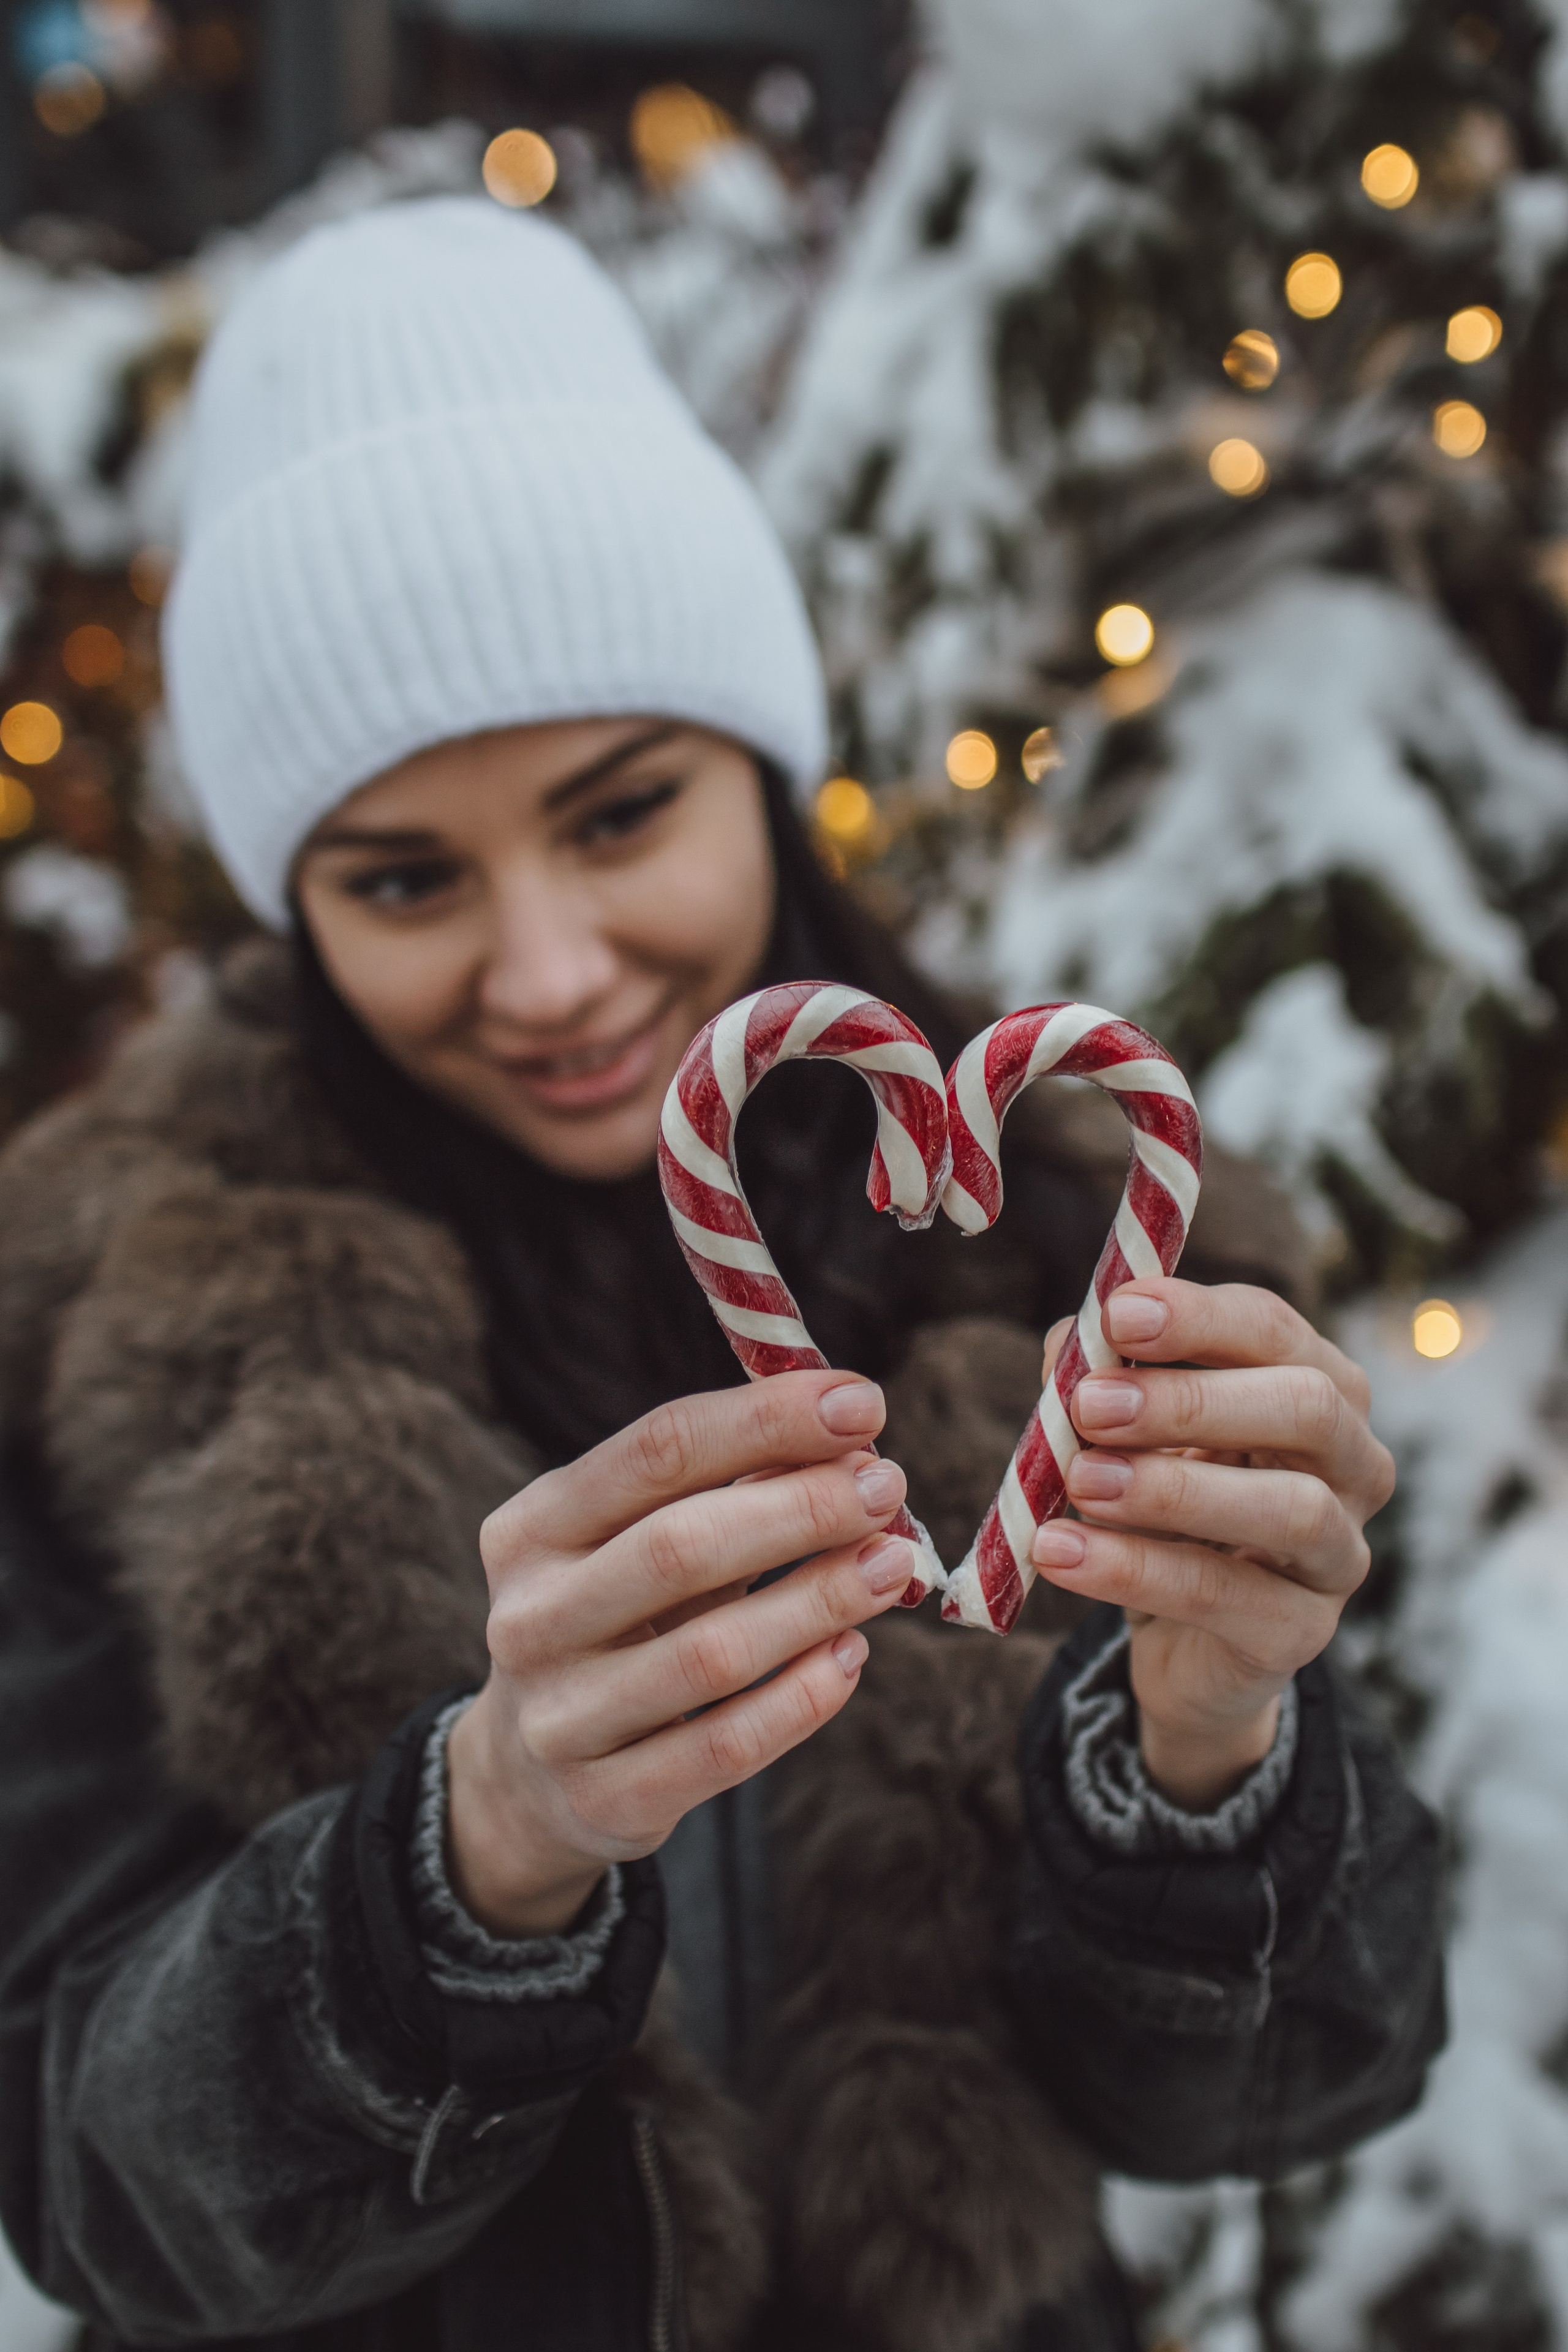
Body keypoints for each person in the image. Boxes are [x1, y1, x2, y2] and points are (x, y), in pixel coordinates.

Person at [0, 201, 1442, 2352]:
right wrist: (474, 1849)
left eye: (619, 812)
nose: (553, 973)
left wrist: (1212, 1748)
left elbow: (1300, 2084)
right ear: (292, 902)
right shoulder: (81, 1321)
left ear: (762, 768)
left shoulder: (1088, 1244)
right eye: (404, 877)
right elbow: (85, 2184)